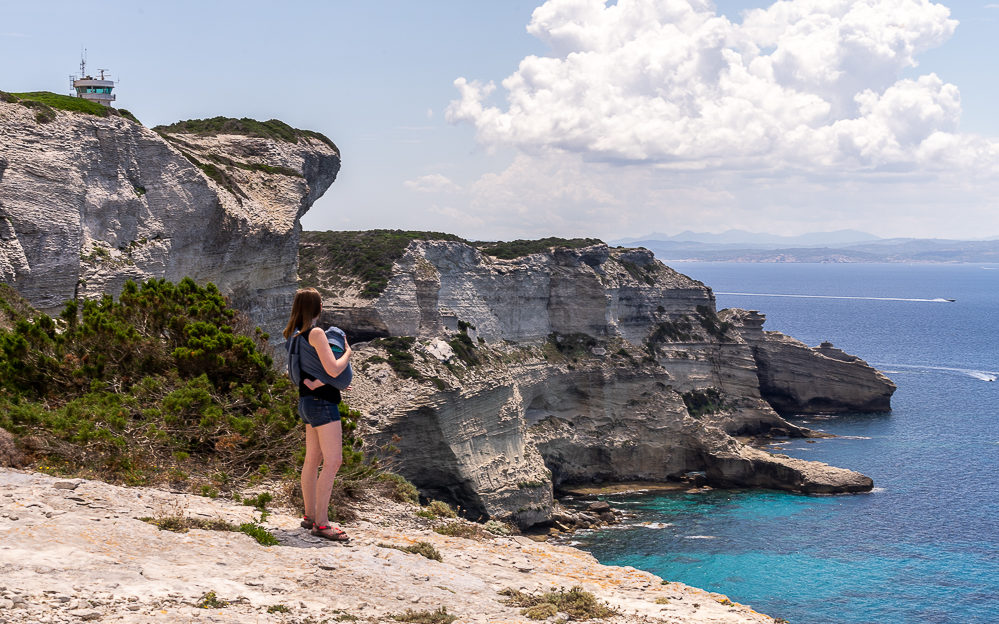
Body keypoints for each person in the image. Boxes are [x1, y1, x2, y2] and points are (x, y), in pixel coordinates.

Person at [283, 288, 353, 541]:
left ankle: (310, 516)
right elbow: (334, 369)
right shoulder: (317, 332)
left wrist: (323, 382)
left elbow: (312, 372)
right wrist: (348, 353)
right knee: (333, 461)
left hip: (307, 402)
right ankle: (322, 524)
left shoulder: (295, 334)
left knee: (312, 460)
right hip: (323, 405)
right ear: (318, 307)